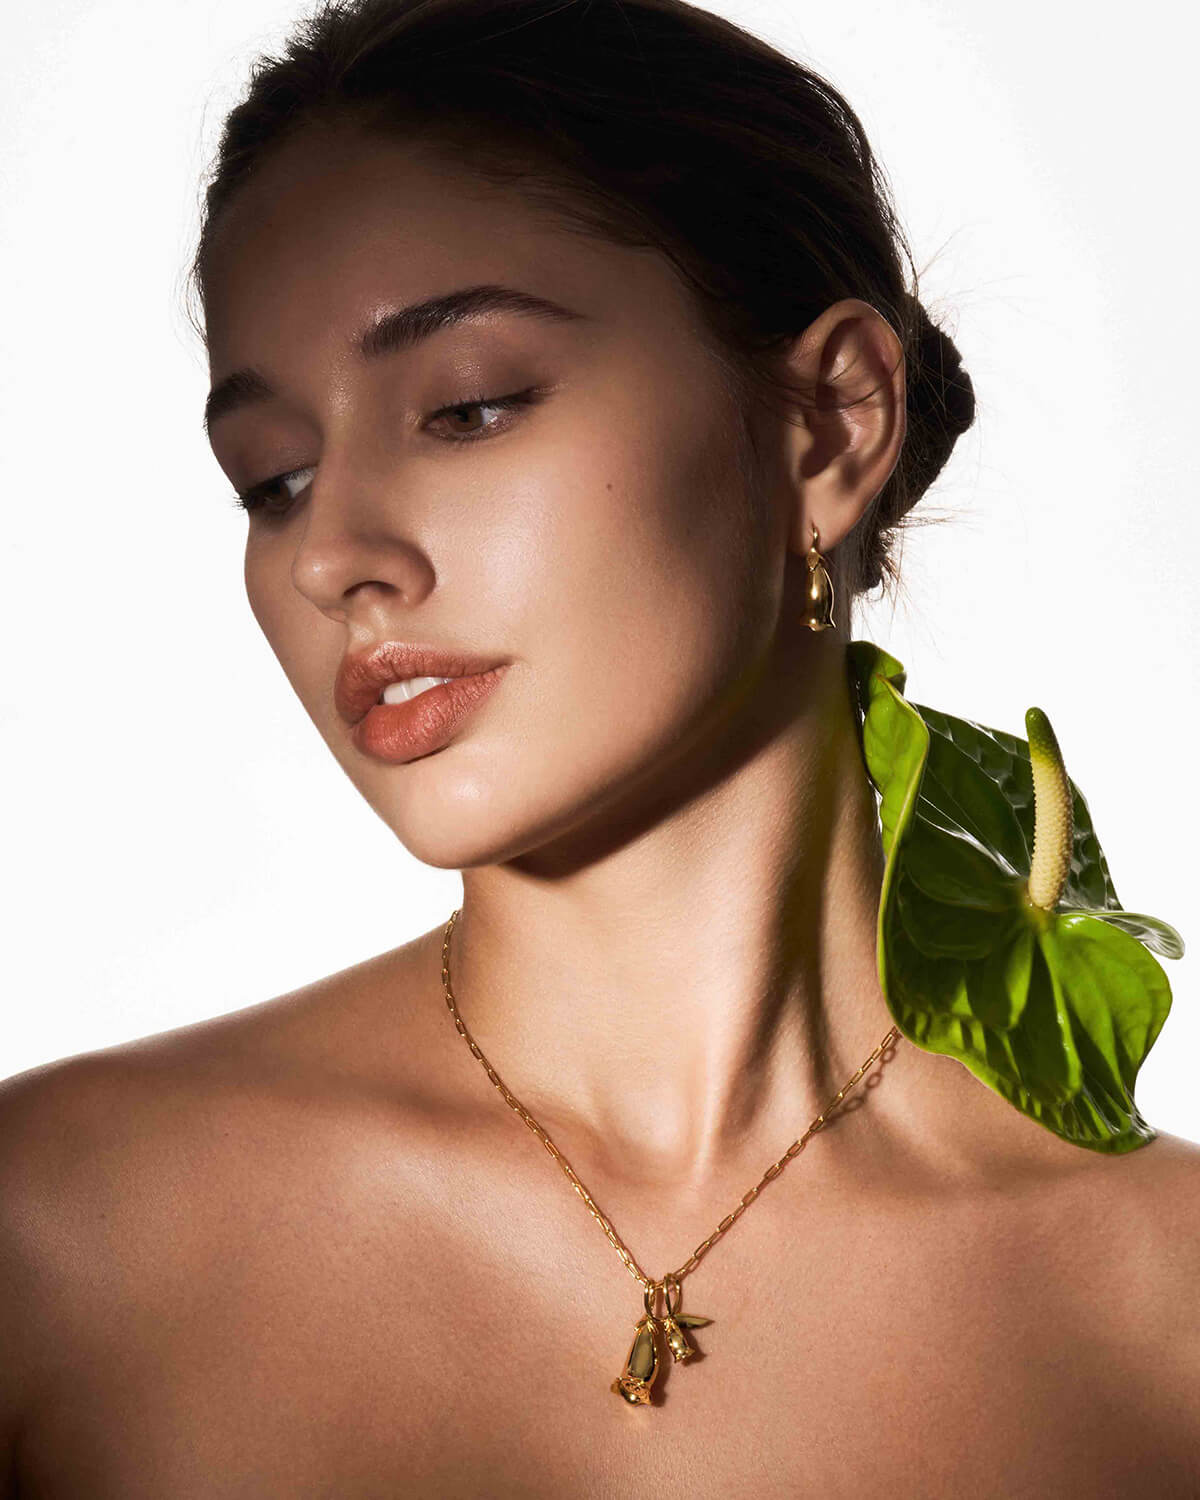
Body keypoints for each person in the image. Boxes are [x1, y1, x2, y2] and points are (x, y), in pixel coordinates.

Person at [2, 0, 1197, 1493]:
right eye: (274, 478)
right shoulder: (49, 1244)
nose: (333, 556)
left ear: (829, 424)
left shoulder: (1166, 1321)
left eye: (470, 407)